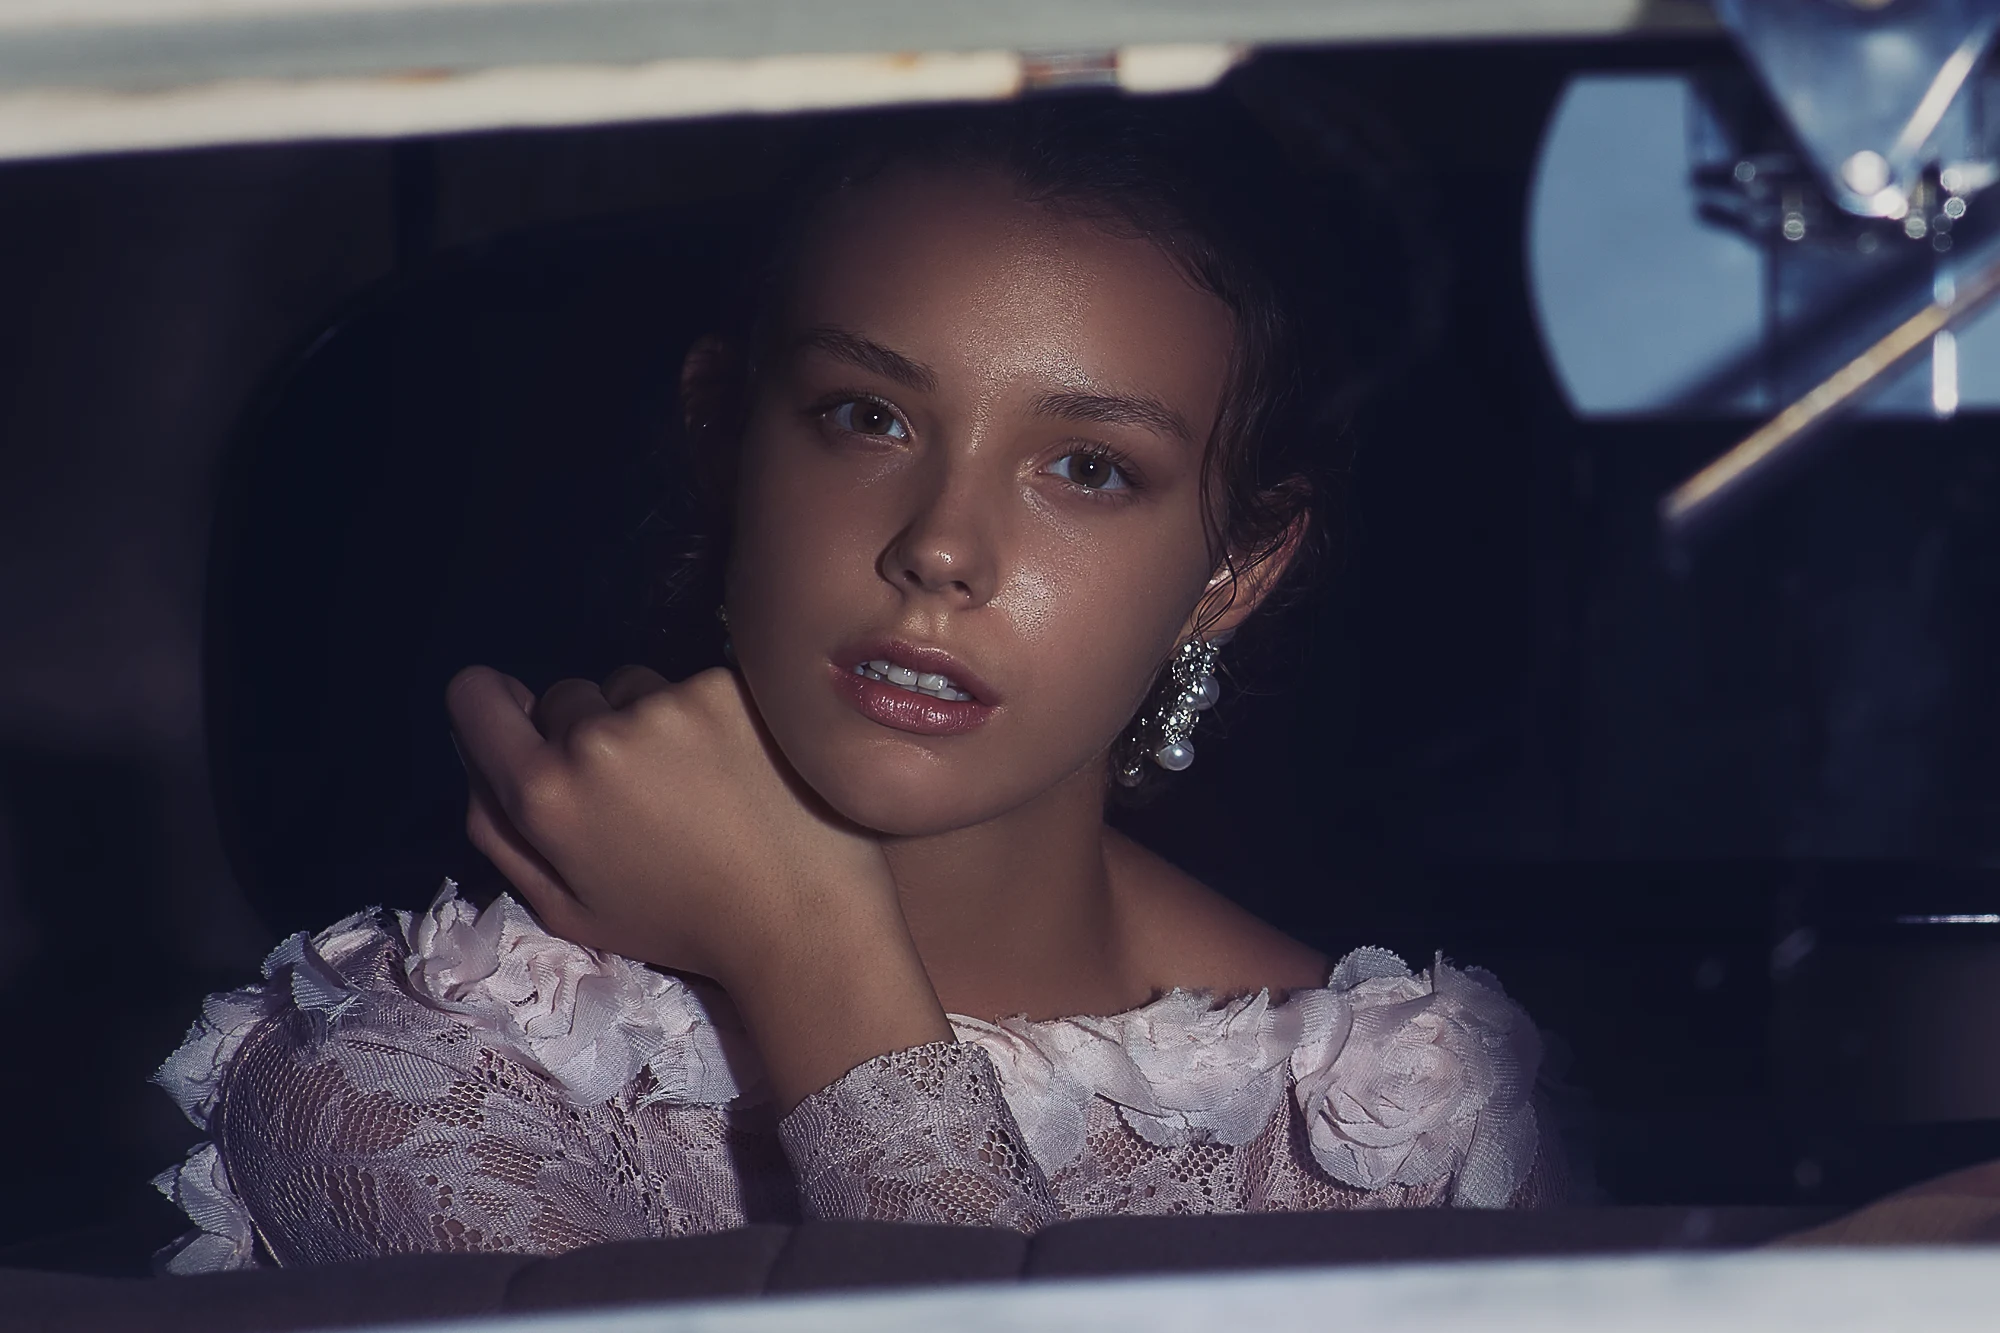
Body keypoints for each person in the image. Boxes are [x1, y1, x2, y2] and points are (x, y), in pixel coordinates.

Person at [152, 100, 1563, 1273]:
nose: (941, 548)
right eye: (866, 416)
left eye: (1088, 468)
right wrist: (809, 939)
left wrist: (814, 951)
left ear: (1232, 572)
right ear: (727, 440)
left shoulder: (1398, 1123)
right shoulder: (417, 1076)